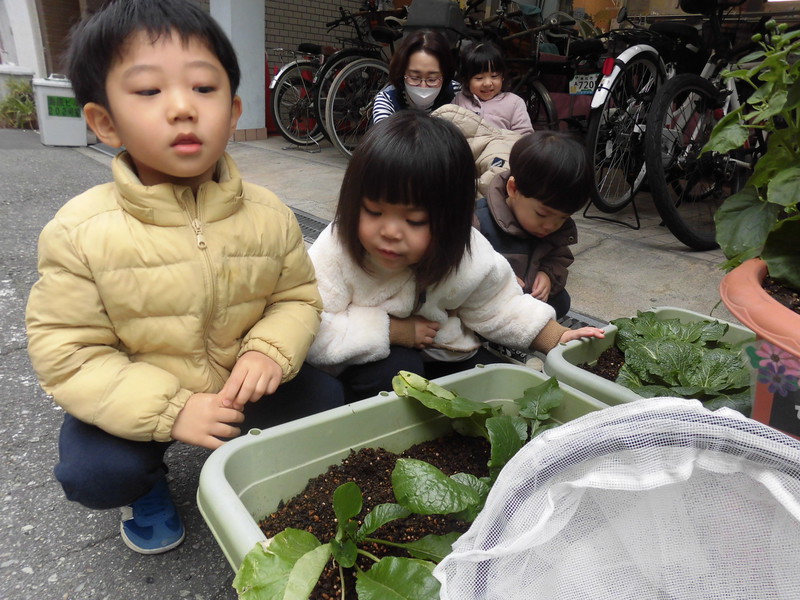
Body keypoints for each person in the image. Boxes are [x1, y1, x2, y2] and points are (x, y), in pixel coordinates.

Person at [24, 0, 344, 556]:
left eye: (203, 88)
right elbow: (69, 352)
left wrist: (269, 351)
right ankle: (146, 490)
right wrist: (172, 410)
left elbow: (295, 296)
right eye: (148, 92)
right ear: (104, 121)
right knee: (94, 470)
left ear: (234, 107)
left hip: (240, 379)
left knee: (329, 403)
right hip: (143, 389)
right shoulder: (79, 230)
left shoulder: (268, 212)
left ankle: (264, 476)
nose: (182, 108)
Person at [306, 111, 604, 400]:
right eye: (373, 211)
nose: (390, 232)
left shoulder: (466, 251)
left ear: (453, 221)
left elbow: (498, 304)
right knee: (396, 371)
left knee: (493, 382)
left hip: (441, 351)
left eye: (414, 221)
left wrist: (554, 336)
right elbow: (309, 325)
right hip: (361, 360)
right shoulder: (336, 250)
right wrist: (391, 331)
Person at [473, 130, 593, 319]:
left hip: (525, 298)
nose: (551, 226)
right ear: (513, 189)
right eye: (543, 214)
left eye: (563, 218)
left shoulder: (553, 228)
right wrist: (499, 282)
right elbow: (464, 269)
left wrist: (547, 275)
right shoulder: (478, 221)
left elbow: (558, 258)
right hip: (488, 300)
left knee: (561, 301)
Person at [372, 29, 460, 124]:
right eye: (414, 78)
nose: (423, 86)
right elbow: (384, 136)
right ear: (402, 72)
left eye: (432, 79)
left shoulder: (457, 94)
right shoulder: (387, 100)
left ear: (445, 75)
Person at [451, 42, 533, 134]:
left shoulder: (514, 103)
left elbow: (524, 136)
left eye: (494, 76)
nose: (487, 83)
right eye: (479, 78)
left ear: (502, 77)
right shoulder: (459, 100)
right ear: (466, 80)